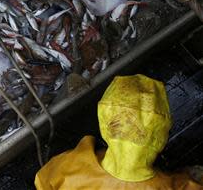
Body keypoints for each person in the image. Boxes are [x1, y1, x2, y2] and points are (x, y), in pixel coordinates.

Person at [35, 74, 202, 189]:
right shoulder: (170, 186)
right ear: (160, 136)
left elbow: (42, 182)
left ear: (105, 122)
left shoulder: (72, 164)